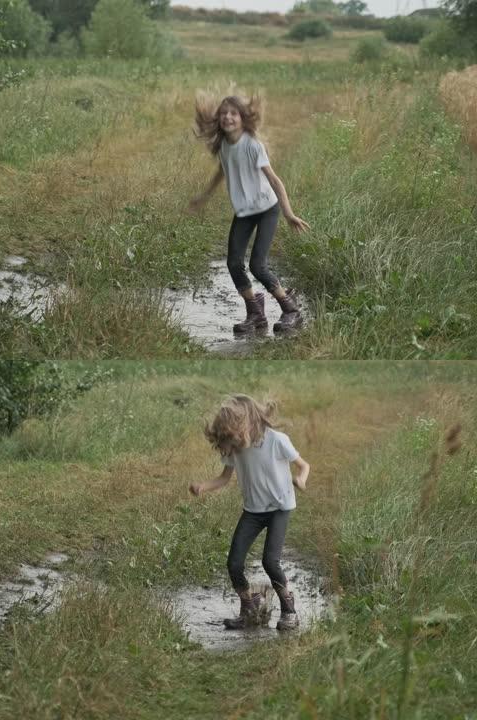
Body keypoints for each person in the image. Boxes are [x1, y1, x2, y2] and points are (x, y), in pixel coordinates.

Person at [188, 93, 311, 335]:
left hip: (267, 209)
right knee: (233, 263)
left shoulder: (253, 145)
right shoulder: (224, 146)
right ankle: (255, 313)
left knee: (257, 265)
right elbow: (222, 170)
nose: (228, 117)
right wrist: (204, 197)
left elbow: (276, 181)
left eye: (233, 113)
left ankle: (291, 310)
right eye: (224, 113)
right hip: (244, 212)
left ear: (243, 118)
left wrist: (289, 214)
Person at [190, 394, 310, 631]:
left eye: (232, 436)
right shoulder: (234, 447)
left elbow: (304, 465)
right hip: (253, 511)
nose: (230, 444)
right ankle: (249, 606)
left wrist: (301, 480)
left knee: (270, 561)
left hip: (279, 509)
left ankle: (289, 610)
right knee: (234, 562)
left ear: (247, 423)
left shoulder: (277, 440)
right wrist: (203, 486)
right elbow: (224, 478)